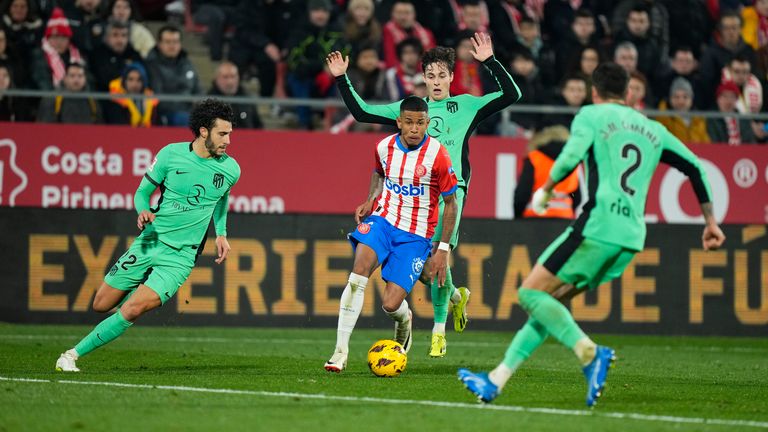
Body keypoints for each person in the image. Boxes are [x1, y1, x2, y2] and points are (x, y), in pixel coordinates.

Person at [458, 62, 726, 407]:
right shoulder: (652, 128)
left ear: (594, 92)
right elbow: (695, 167)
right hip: (630, 238)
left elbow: (571, 155)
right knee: (549, 303)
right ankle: (495, 381)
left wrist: (548, 187)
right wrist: (711, 222)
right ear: (628, 93)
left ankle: (589, 353)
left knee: (528, 294)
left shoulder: (592, 115)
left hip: (598, 226)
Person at [326, 32, 521, 358]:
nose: (436, 81)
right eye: (430, 75)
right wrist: (342, 79)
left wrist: (490, 62)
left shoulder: (467, 106)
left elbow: (511, 94)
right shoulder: (411, 111)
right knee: (429, 271)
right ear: (423, 77)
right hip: (412, 201)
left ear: (451, 77)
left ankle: (438, 332)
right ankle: (457, 297)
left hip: (450, 193)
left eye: (441, 75)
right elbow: (362, 113)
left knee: (439, 255)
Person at [55, 99, 241, 372]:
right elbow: (142, 193)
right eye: (222, 134)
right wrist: (143, 211)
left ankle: (71, 356)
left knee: (132, 309)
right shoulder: (170, 155)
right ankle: (139, 280)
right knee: (101, 303)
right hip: (150, 241)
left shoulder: (230, 169)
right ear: (203, 131)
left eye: (230, 134)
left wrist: (221, 233)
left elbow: (221, 199)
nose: (228, 140)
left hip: (181, 256)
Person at [323, 96, 459, 372]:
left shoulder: (438, 155)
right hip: (383, 222)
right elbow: (379, 173)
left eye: (420, 123)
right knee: (358, 272)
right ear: (399, 122)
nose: (414, 128)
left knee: (390, 304)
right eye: (408, 122)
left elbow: (451, 204)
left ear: (427, 123)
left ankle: (404, 319)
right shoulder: (384, 147)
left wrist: (442, 248)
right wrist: (370, 199)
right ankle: (340, 351)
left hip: (416, 235)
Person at [37, 61, 101, 124]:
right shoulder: (52, 99)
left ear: (85, 79)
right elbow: (44, 127)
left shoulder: (92, 100)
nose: (76, 80)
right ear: (65, 78)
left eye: (80, 76)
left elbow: (99, 124)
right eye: (72, 76)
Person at [208, 61, 262, 129]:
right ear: (217, 79)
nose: (230, 82)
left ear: (238, 78)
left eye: (233, 76)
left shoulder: (247, 100)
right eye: (225, 77)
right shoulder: (208, 102)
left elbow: (258, 126)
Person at [104, 62, 157, 127]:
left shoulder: (151, 100)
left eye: (139, 80)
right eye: (130, 79)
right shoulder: (115, 102)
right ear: (124, 81)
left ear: (144, 82)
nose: (134, 84)